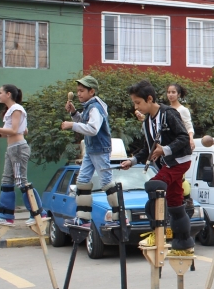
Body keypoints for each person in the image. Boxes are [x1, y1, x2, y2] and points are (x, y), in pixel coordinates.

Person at [120, 80, 194, 255]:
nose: (136, 107)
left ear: (150, 99)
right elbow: (148, 149)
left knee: (154, 186)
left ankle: (157, 233)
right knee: (175, 203)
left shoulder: (169, 113)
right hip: (168, 163)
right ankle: (183, 244)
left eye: (138, 102)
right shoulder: (147, 123)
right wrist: (132, 161)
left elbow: (184, 137)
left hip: (180, 160)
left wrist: (165, 150)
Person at [0, 84, 48, 226]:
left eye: (0, 92)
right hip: (12, 148)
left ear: (8, 94)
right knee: (7, 180)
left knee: (21, 181)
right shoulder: (11, 110)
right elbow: (24, 131)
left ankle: (39, 212)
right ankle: (5, 215)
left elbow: (15, 130)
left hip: (18, 148)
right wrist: (0, 132)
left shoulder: (17, 109)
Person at [61, 75, 112, 229]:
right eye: (77, 91)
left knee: (107, 182)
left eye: (82, 91)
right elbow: (84, 122)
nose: (78, 94)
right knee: (82, 181)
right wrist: (74, 113)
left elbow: (92, 129)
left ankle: (119, 215)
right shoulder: (90, 106)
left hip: (99, 149)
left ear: (92, 91)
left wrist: (71, 124)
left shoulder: (95, 107)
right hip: (91, 150)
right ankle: (83, 217)